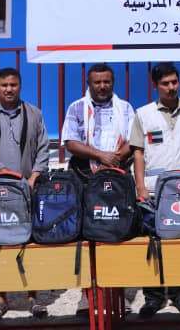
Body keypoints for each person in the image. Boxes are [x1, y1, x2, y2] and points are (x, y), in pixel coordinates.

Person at [129, 62, 180, 319]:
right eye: (165, 83)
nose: (171, 87)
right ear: (155, 85)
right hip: (154, 191)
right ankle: (153, 296)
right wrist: (140, 186)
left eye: (174, 82)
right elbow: (138, 153)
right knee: (152, 243)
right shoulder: (143, 114)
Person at [0, 68, 50, 322]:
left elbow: (43, 147)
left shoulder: (34, 113)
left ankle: (33, 297)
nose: (9, 89)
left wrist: (33, 177)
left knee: (29, 241)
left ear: (20, 86)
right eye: (4, 85)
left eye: (13, 85)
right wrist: (5, 174)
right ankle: (1, 298)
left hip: (28, 188)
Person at [62, 63, 135, 316]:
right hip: (84, 177)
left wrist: (112, 161)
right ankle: (87, 296)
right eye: (97, 82)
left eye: (107, 82)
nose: (102, 86)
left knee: (117, 233)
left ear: (112, 83)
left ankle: (117, 294)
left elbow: (133, 141)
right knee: (86, 237)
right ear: (89, 83)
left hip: (117, 177)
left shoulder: (125, 108)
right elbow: (71, 142)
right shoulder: (76, 108)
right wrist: (100, 156)